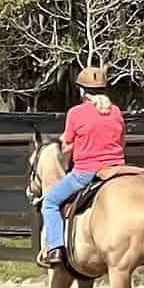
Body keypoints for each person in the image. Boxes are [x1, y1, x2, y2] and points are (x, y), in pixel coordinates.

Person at [39, 66, 126, 268]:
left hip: (86, 172)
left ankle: (55, 249)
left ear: (81, 91)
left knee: (50, 202)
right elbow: (122, 143)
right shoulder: (115, 112)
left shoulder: (76, 113)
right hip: (117, 170)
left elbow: (67, 145)